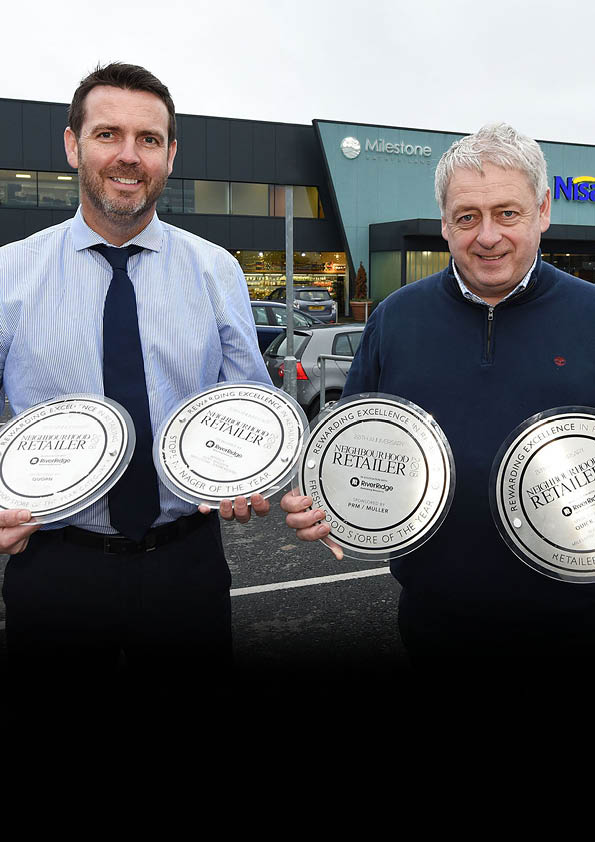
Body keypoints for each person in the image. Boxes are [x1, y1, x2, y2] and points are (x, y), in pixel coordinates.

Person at [0, 63, 270, 694]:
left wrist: (250, 474)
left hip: (186, 565)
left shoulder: (216, 270)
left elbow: (253, 401)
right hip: (53, 567)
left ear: (170, 155)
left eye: (149, 140)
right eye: (107, 135)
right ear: (72, 145)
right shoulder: (9, 274)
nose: (129, 156)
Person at [282, 123, 595, 665]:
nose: (488, 235)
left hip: (580, 626)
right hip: (436, 625)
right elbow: (348, 443)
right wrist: (322, 503)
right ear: (446, 225)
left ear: (543, 211)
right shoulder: (396, 318)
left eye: (508, 213)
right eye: (467, 217)